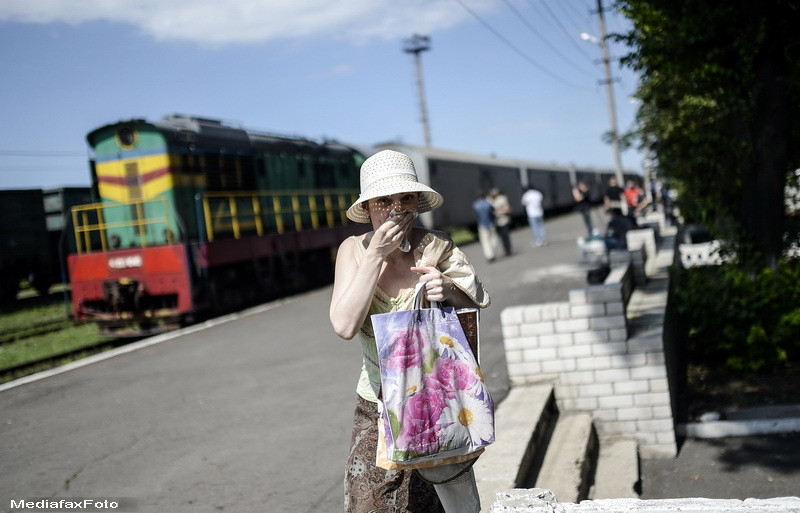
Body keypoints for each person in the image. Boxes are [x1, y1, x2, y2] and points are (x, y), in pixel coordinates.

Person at [329, 149, 491, 513]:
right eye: (384, 200)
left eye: (406, 198)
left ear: (417, 202)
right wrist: (375, 256)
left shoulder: (437, 245)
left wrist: (447, 289)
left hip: (440, 400)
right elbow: (344, 325)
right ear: (368, 207)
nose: (396, 208)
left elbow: (475, 302)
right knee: (372, 503)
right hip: (379, 403)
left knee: (442, 499)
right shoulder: (353, 251)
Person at [472, 191, 498, 262]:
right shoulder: (488, 204)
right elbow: (493, 213)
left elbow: (476, 216)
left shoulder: (475, 205)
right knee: (493, 238)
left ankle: (489, 255)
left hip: (481, 225)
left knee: (485, 241)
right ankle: (493, 252)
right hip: (490, 223)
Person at [489, 187, 513, 255]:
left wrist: (497, 212)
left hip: (503, 220)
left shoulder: (502, 199)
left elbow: (507, 209)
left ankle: (508, 249)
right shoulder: (491, 200)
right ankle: (505, 249)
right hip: (497, 222)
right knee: (501, 237)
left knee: (505, 235)